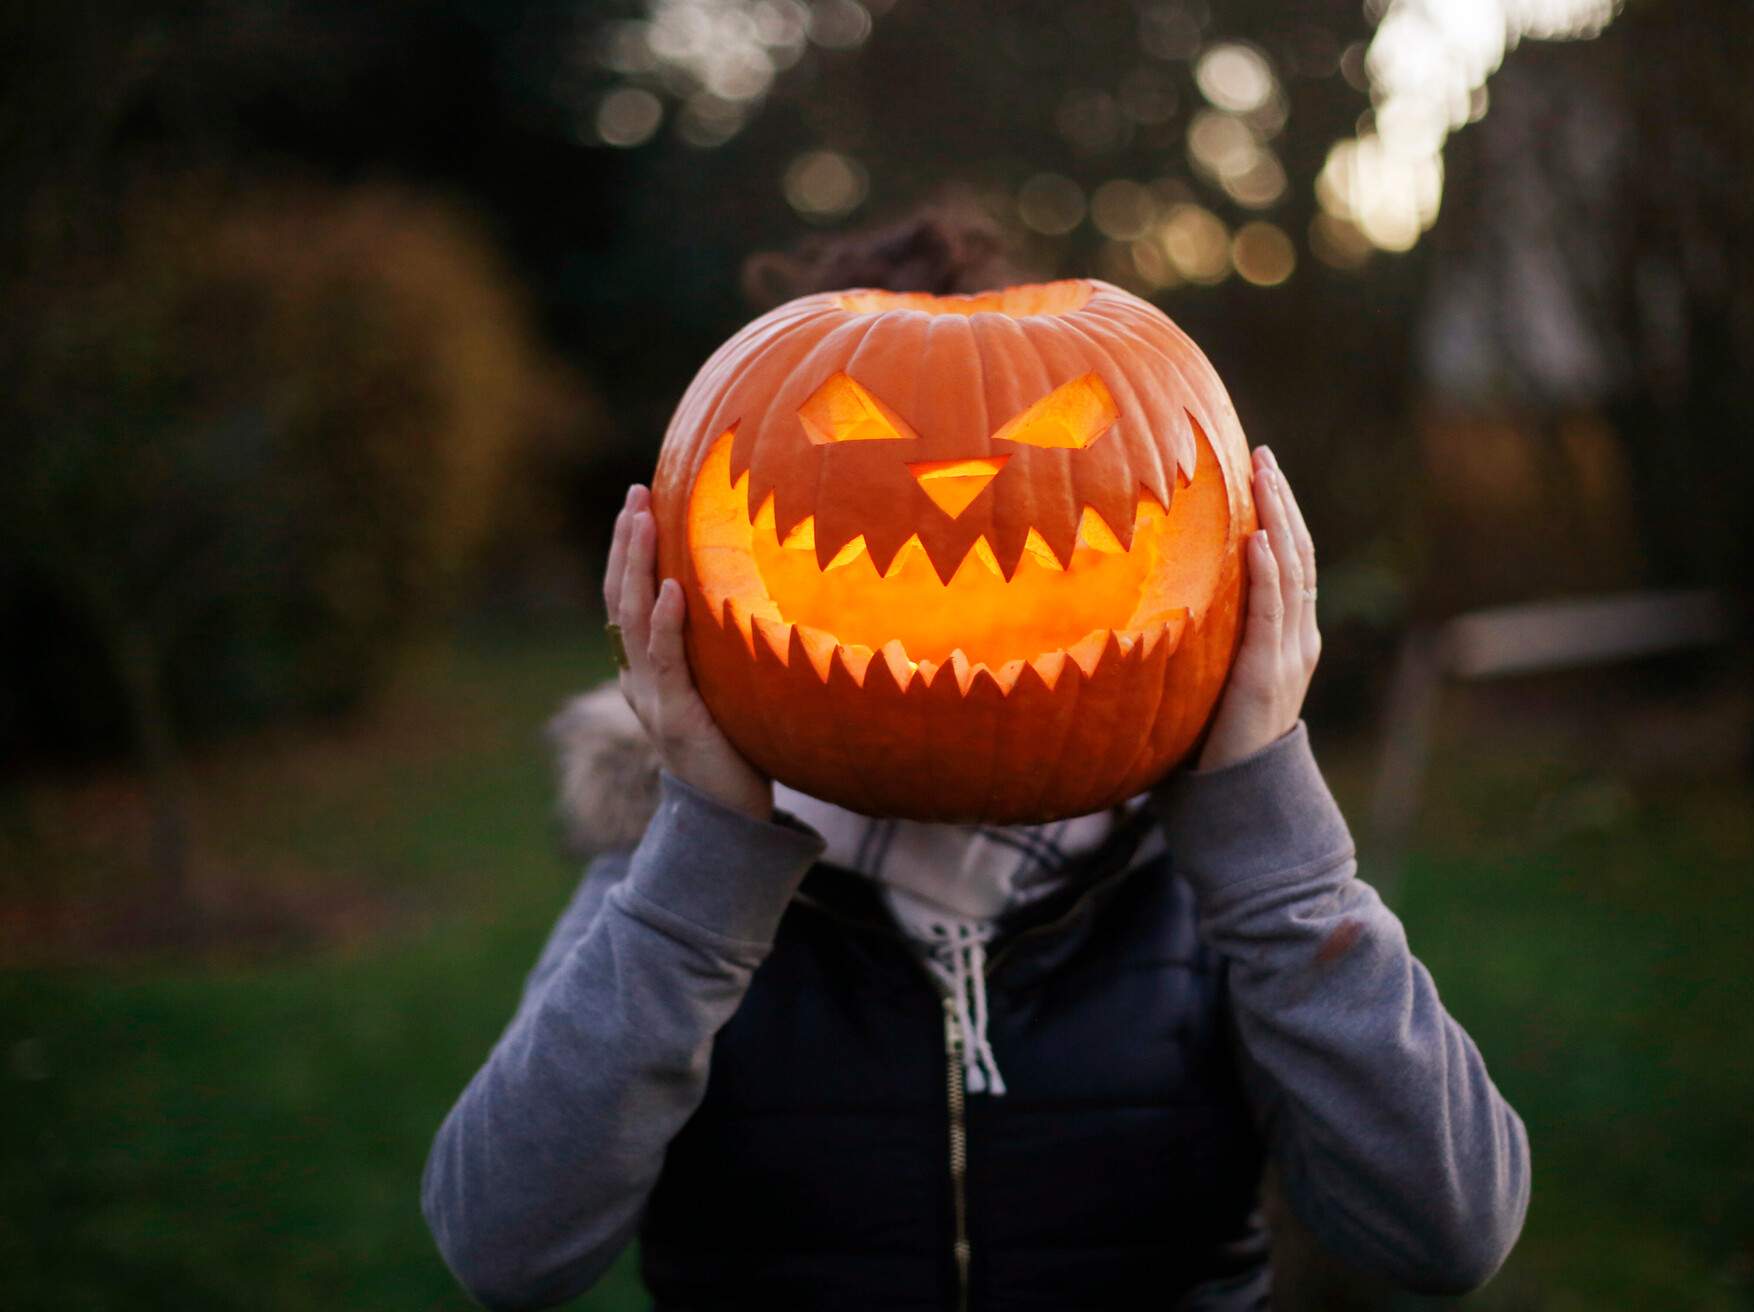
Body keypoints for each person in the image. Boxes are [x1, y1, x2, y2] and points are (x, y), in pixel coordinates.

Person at [422, 215, 1530, 1310]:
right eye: (849, 429)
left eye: (1049, 422)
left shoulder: (1216, 897)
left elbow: (1449, 1232)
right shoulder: (669, 893)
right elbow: (502, 1249)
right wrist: (705, 850)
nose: (953, 481)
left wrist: (1273, 846)